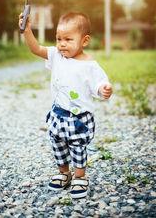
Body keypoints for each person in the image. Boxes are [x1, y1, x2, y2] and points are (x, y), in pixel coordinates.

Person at [19, 11, 112, 199]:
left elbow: (99, 83)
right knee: (58, 146)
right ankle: (64, 173)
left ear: (84, 41)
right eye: (58, 38)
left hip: (79, 119)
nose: (61, 44)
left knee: (78, 148)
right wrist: (26, 30)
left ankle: (80, 177)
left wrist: (103, 89)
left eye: (68, 39)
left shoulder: (90, 65)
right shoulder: (56, 56)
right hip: (58, 115)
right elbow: (36, 49)